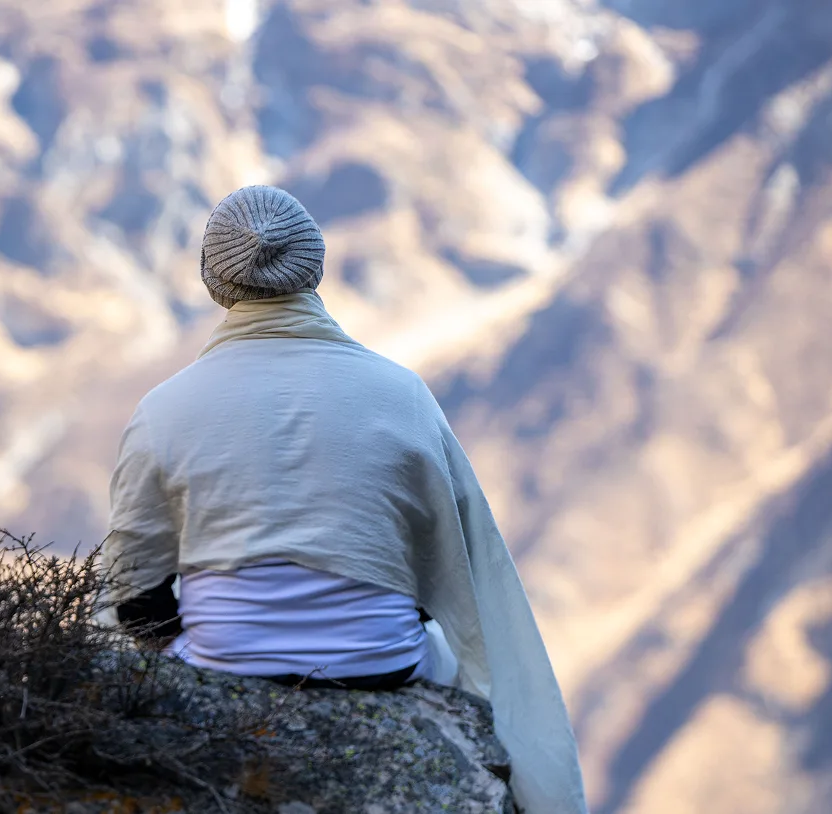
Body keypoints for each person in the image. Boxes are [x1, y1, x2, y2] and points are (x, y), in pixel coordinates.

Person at [101, 185, 589, 814]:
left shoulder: (163, 408)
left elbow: (133, 592)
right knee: (434, 650)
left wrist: (227, 630)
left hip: (221, 660)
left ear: (213, 281)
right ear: (316, 268)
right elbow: (454, 568)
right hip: (377, 658)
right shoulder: (401, 393)